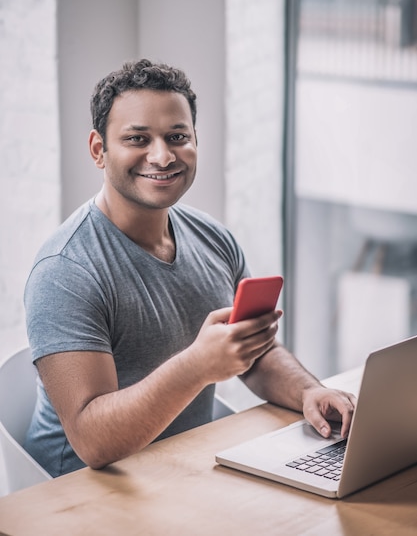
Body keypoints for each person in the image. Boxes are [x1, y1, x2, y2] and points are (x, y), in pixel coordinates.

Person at [24, 59, 356, 477]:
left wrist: (311, 391)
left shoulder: (214, 238)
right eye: (137, 138)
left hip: (183, 469)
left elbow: (255, 353)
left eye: (177, 136)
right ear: (98, 150)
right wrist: (196, 366)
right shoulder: (65, 271)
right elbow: (92, 442)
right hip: (79, 493)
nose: (162, 156)